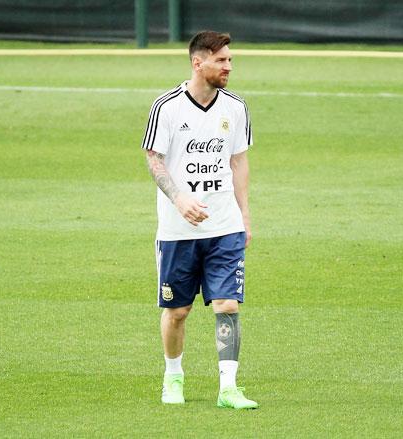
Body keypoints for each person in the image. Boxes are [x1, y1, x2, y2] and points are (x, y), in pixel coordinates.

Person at [141, 30, 257, 409]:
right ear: (198, 62)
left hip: (224, 225)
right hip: (178, 230)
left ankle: (228, 388)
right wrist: (179, 199)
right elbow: (153, 158)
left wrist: (244, 215)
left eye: (230, 60)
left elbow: (238, 161)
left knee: (227, 305)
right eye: (221, 60)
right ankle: (173, 376)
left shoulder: (235, 108)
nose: (229, 67)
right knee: (178, 311)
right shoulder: (168, 107)